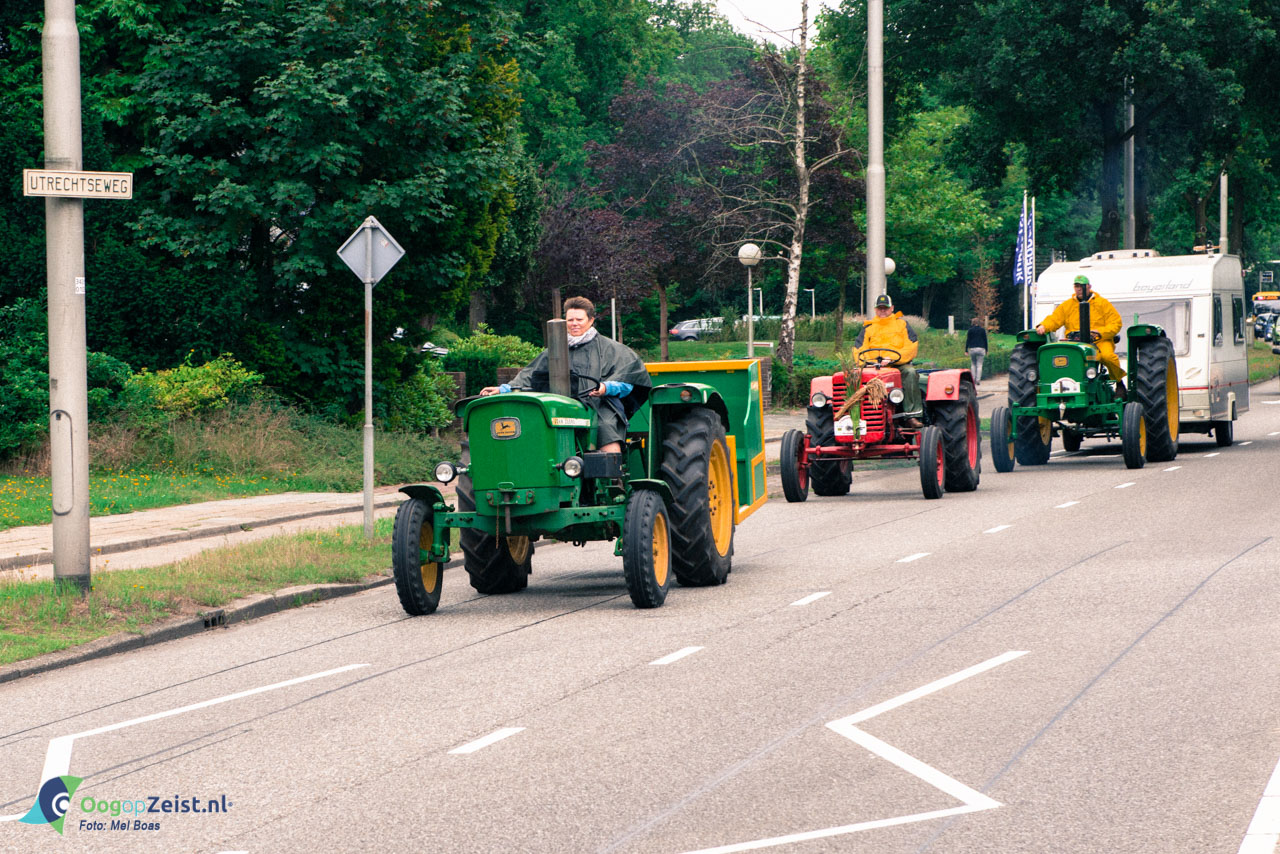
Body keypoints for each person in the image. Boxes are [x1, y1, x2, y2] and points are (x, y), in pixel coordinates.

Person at [480, 296, 651, 454]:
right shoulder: (553, 351)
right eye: (570, 320)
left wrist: (605, 387)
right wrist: (503, 389)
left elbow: (627, 381)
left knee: (606, 428)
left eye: (579, 319)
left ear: (591, 320)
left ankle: (613, 479)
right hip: (558, 407)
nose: (574, 324)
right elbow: (529, 376)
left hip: (598, 405)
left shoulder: (612, 349)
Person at [1035, 274, 1126, 397]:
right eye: (1076, 286)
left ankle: (1119, 383)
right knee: (1060, 358)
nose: (1079, 289)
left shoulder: (1102, 304)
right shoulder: (1067, 305)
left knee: (1108, 357)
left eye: (1082, 286)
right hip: (1074, 342)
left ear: (1089, 286)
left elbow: (1115, 323)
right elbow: (1054, 319)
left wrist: (1100, 332)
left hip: (1099, 341)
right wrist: (1044, 326)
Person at [853, 293, 922, 428]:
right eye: (880, 308)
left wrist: (893, 358)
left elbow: (911, 346)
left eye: (885, 308)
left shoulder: (901, 325)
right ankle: (855, 415)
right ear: (875, 309)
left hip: (897, 366)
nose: (883, 311)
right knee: (854, 376)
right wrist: (867, 362)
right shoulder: (868, 327)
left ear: (892, 308)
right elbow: (859, 349)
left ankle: (912, 415)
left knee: (910, 372)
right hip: (873, 367)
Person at [965, 317, 989, 387]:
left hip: (972, 348)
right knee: (979, 365)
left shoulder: (970, 330)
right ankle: (978, 380)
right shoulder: (982, 330)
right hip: (981, 349)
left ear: (972, 322)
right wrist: (987, 350)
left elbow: (968, 340)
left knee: (973, 364)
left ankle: (973, 379)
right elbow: (985, 340)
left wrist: (966, 350)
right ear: (979, 323)